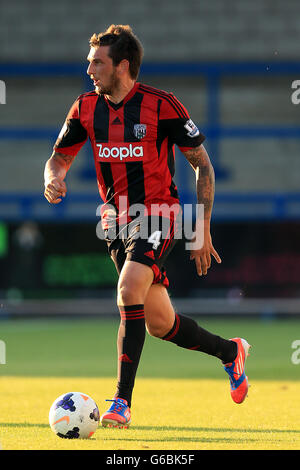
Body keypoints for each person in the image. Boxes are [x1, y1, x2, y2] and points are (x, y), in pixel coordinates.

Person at [44, 24, 251, 429]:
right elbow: (58, 157)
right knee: (160, 324)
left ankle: (121, 402)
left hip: (161, 214)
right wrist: (52, 176)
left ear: (122, 66)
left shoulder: (162, 105)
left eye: (97, 63)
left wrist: (202, 229)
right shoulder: (85, 108)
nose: (90, 70)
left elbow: (202, 165)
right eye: (89, 63)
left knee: (127, 288)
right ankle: (231, 352)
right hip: (118, 223)